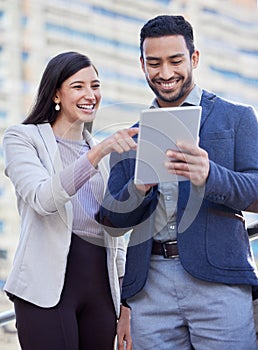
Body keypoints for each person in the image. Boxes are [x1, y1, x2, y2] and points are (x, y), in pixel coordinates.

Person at [97, 15, 258, 350]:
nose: (165, 73)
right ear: (142, 64)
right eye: (154, 63)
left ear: (194, 58)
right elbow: (112, 221)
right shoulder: (131, 137)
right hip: (149, 289)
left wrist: (211, 175)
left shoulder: (237, 118)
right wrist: (138, 189)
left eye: (175, 60)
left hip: (219, 282)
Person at [2, 51, 138, 350]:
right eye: (78, 86)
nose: (90, 95)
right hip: (45, 287)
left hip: (101, 288)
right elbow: (42, 199)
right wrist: (97, 154)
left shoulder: (102, 156)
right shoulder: (23, 138)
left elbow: (115, 237)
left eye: (95, 85)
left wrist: (126, 305)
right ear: (56, 94)